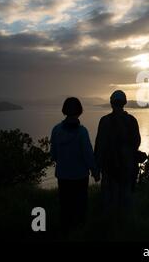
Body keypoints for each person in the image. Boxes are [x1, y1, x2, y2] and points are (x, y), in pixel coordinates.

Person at [50, 97, 100, 233]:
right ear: (79, 111)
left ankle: (65, 232)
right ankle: (79, 233)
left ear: (64, 110)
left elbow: (53, 155)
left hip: (63, 176)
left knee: (65, 207)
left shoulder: (56, 130)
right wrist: (95, 172)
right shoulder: (82, 132)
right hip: (80, 176)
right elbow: (88, 155)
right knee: (80, 207)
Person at [94, 90, 141, 211]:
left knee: (109, 201)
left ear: (111, 103)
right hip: (128, 167)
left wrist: (96, 168)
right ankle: (125, 224)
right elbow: (137, 143)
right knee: (126, 199)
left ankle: (111, 225)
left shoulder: (105, 121)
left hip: (109, 168)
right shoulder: (132, 120)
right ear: (124, 103)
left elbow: (99, 145)